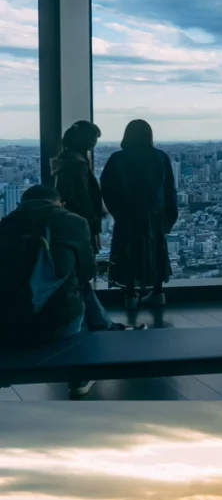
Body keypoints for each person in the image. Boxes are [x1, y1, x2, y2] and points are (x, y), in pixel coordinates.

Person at [0, 184, 124, 395]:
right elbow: (86, 272)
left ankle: (106, 327)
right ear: (60, 204)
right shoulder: (73, 223)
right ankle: (81, 372)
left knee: (71, 284)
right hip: (57, 324)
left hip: (9, 324)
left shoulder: (5, 226)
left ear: (21, 204)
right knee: (76, 285)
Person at [100, 118, 178, 312]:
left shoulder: (117, 158)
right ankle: (158, 293)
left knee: (127, 251)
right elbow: (169, 190)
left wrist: (117, 212)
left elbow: (107, 189)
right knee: (156, 250)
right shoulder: (160, 157)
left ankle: (129, 295)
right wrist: (169, 216)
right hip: (155, 214)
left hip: (127, 215)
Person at [51, 120, 105, 257]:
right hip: (81, 219)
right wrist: (92, 219)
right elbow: (82, 195)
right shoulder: (77, 164)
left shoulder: (66, 159)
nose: (94, 142)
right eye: (93, 138)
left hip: (68, 217)